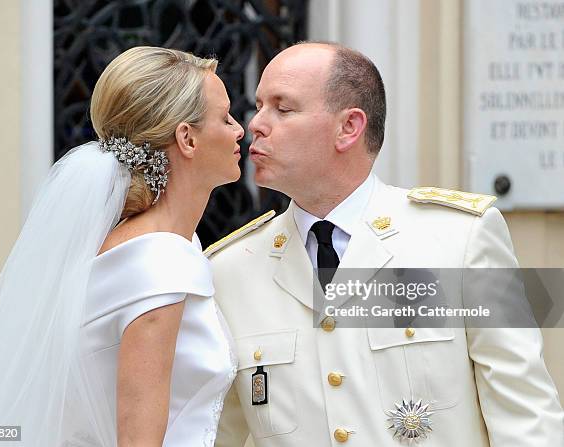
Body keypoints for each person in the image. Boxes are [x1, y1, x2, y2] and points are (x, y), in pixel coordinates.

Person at [207, 42, 564, 446]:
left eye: (283, 108)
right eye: (259, 105)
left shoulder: (461, 239)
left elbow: (527, 418)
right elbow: (219, 435)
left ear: (349, 127)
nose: (255, 123)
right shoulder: (230, 269)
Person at [0, 46, 244, 446]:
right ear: (187, 139)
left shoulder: (144, 246)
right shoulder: (161, 262)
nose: (239, 129)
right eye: (225, 117)